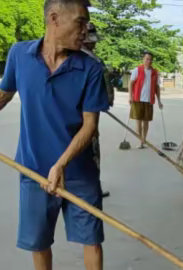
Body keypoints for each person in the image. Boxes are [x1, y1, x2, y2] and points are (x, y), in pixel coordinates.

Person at [0, 0, 122, 270]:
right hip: (33, 169)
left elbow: (89, 125)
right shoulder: (20, 55)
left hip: (78, 172)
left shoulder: (90, 68)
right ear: (53, 18)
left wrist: (62, 163)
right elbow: (3, 95)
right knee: (39, 240)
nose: (85, 30)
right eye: (80, 23)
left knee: (91, 237)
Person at [81, 22, 112, 198]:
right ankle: (93, 189)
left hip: (89, 109)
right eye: (91, 40)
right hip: (88, 112)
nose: (94, 43)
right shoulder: (91, 61)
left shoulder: (83, 57)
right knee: (91, 148)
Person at [128, 52, 163, 149]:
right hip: (137, 98)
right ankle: (140, 140)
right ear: (143, 59)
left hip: (149, 99)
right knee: (138, 121)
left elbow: (157, 87)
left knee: (146, 121)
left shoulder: (155, 72)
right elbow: (131, 83)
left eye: (150, 59)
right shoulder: (137, 70)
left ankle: (144, 139)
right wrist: (130, 96)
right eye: (147, 59)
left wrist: (159, 101)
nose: (149, 61)